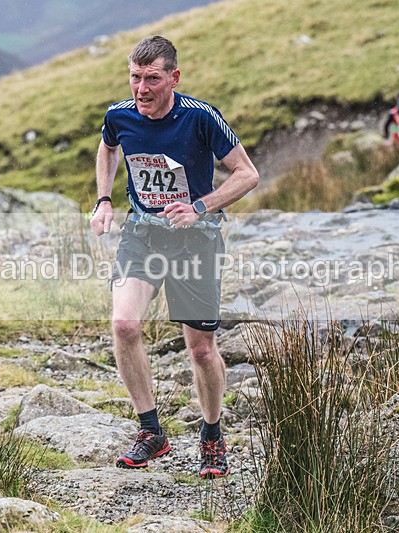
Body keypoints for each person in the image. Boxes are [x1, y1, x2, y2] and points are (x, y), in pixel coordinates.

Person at [90, 35, 259, 478]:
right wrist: (104, 199)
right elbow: (108, 147)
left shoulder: (201, 118)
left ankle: (211, 434)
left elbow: (248, 174)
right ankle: (152, 432)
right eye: (134, 78)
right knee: (124, 325)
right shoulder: (119, 116)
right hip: (143, 235)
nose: (141, 89)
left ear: (173, 78)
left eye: (152, 79)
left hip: (196, 241)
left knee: (201, 350)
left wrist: (202, 205)